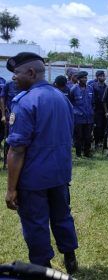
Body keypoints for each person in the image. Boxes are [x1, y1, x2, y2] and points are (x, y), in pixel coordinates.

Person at [4, 52, 78, 274]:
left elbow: (16, 150)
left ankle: (42, 268)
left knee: (35, 224)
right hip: (60, 174)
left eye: (16, 73)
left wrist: (10, 190)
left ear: (31, 73)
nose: (13, 78)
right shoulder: (61, 98)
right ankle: (70, 259)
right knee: (62, 216)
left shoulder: (24, 102)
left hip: (34, 179)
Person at [68, 71, 94, 158]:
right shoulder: (73, 89)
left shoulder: (90, 88)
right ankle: (78, 154)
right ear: (78, 79)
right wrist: (75, 111)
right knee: (79, 137)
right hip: (78, 118)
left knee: (88, 137)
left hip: (89, 117)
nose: (85, 79)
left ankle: (87, 153)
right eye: (83, 78)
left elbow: (93, 102)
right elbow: (70, 103)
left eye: (86, 78)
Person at [92, 70, 107, 150]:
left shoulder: (106, 86)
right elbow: (92, 99)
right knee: (97, 127)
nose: (103, 77)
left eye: (103, 76)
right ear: (97, 77)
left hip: (104, 110)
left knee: (104, 126)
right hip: (96, 110)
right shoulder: (93, 86)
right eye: (101, 76)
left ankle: (102, 142)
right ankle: (96, 142)